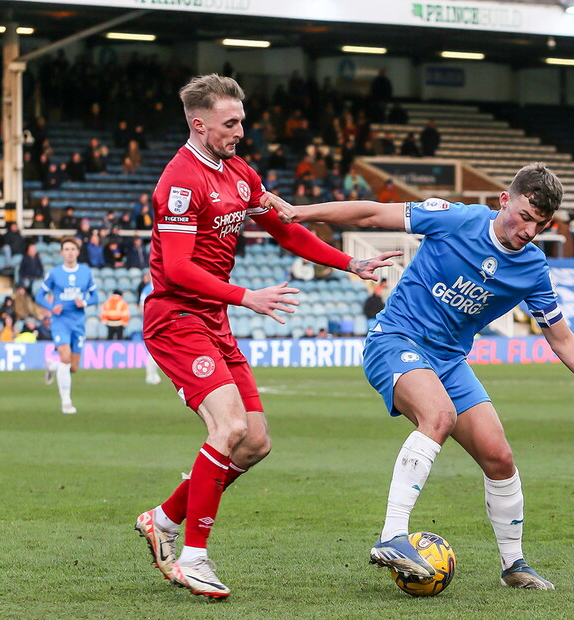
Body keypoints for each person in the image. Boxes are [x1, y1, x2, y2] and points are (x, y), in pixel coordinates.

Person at [263, 162, 574, 590]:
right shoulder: (455, 218)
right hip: (396, 339)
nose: (530, 231)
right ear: (504, 200)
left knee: (499, 457)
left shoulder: (533, 268)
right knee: (439, 415)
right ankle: (392, 534)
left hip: (449, 361)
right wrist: (300, 212)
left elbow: (562, 338)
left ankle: (514, 565)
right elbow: (374, 213)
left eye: (541, 224)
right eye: (525, 216)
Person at [132, 73, 398, 600]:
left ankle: (161, 520)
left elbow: (285, 229)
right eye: (230, 124)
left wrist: (350, 263)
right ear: (199, 124)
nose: (240, 131)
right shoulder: (180, 182)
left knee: (255, 442)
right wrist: (246, 295)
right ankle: (194, 558)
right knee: (229, 426)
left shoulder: (240, 174)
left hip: (213, 318)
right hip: (176, 317)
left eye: (242, 122)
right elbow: (178, 269)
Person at [37, 237, 99, 415]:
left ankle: (52, 366)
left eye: (73, 249)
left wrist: (84, 303)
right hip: (60, 321)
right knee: (65, 358)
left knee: (73, 367)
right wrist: (51, 307)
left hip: (78, 323)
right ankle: (66, 402)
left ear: (78, 252)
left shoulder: (86, 272)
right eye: (67, 249)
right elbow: (39, 296)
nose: (70, 252)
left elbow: (95, 297)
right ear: (61, 253)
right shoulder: (54, 273)